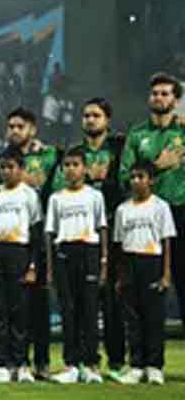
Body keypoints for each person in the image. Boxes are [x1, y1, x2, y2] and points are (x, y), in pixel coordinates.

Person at [0, 107, 60, 380]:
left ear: (32, 129)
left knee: (33, 307)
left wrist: (36, 261)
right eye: (11, 126)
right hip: (2, 245)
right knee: (3, 310)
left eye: (20, 126)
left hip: (34, 242)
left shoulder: (49, 155)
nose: (14, 131)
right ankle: (5, 363)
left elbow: (56, 185)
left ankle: (37, 362)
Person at [52, 98, 125, 378]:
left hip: (112, 230)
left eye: (96, 115)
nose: (90, 120)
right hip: (77, 234)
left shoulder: (119, 148)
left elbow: (130, 179)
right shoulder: (74, 152)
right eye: (86, 115)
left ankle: (115, 361)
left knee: (113, 300)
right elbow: (59, 186)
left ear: (108, 119)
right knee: (78, 304)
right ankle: (79, 361)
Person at [119, 73, 185, 339]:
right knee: (146, 289)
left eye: (165, 93)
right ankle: (146, 355)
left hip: (181, 211)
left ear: (176, 100)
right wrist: (158, 166)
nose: (158, 97)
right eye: (155, 93)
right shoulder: (137, 134)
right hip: (147, 217)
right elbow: (124, 178)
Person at [0, 147, 42, 384]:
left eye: (11, 167)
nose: (6, 172)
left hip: (20, 252)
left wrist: (33, 264)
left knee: (20, 311)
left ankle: (22, 364)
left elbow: (35, 231)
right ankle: (0, 365)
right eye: (2, 167)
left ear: (21, 169)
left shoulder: (29, 195)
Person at [45, 148, 107, 384]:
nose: (71, 169)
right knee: (68, 311)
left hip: (89, 252)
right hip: (64, 253)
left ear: (85, 168)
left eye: (75, 164)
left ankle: (91, 364)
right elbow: (50, 233)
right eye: (67, 165)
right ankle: (71, 364)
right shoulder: (56, 198)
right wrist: (50, 267)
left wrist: (103, 260)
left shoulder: (94, 196)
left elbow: (101, 228)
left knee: (89, 310)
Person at [112, 161, 175, 386]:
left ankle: (155, 366)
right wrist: (120, 276)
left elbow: (166, 241)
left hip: (152, 261)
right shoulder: (123, 210)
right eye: (133, 177)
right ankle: (136, 365)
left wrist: (166, 273)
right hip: (130, 262)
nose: (136, 181)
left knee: (153, 317)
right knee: (133, 318)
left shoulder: (160, 207)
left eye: (141, 177)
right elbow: (119, 245)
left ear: (152, 180)